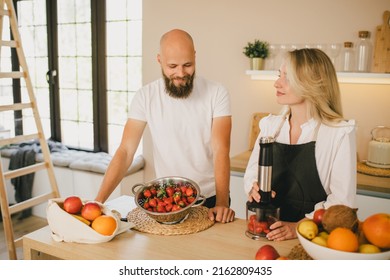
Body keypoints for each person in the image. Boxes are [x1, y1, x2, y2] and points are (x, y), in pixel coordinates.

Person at [95, 29, 235, 223]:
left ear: (195, 56)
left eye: (187, 65)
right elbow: (126, 151)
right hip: (167, 202)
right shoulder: (145, 96)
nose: (181, 73)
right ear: (159, 60)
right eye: (172, 66)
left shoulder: (217, 93)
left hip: (210, 198)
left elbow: (221, 150)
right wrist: (99, 201)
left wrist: (222, 203)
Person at [244, 48, 357, 240]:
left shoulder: (339, 133)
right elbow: (252, 173)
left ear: (312, 83)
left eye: (287, 77)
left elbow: (342, 204)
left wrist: (298, 227)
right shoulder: (270, 126)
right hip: (267, 233)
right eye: (279, 75)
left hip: (316, 240)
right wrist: (252, 187)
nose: (276, 83)